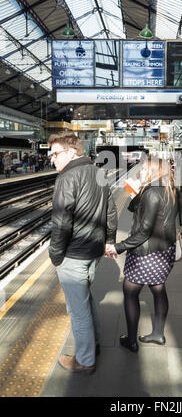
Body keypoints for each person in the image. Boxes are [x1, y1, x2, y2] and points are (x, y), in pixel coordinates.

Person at [48, 132, 118, 374]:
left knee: (77, 311)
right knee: (86, 299)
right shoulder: (98, 172)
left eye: (55, 153)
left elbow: (61, 223)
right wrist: (108, 241)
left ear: (71, 152)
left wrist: (55, 257)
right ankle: (94, 344)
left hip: (74, 254)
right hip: (94, 251)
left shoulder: (67, 178)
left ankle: (85, 360)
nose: (52, 159)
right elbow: (111, 211)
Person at [106, 157, 182, 352]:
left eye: (143, 170)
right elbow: (137, 210)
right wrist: (135, 193)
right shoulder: (172, 189)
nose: (140, 173)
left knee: (130, 292)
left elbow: (144, 231)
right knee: (158, 288)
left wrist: (119, 247)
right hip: (165, 249)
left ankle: (131, 340)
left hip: (146, 253)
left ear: (152, 171)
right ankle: (158, 334)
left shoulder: (151, 193)